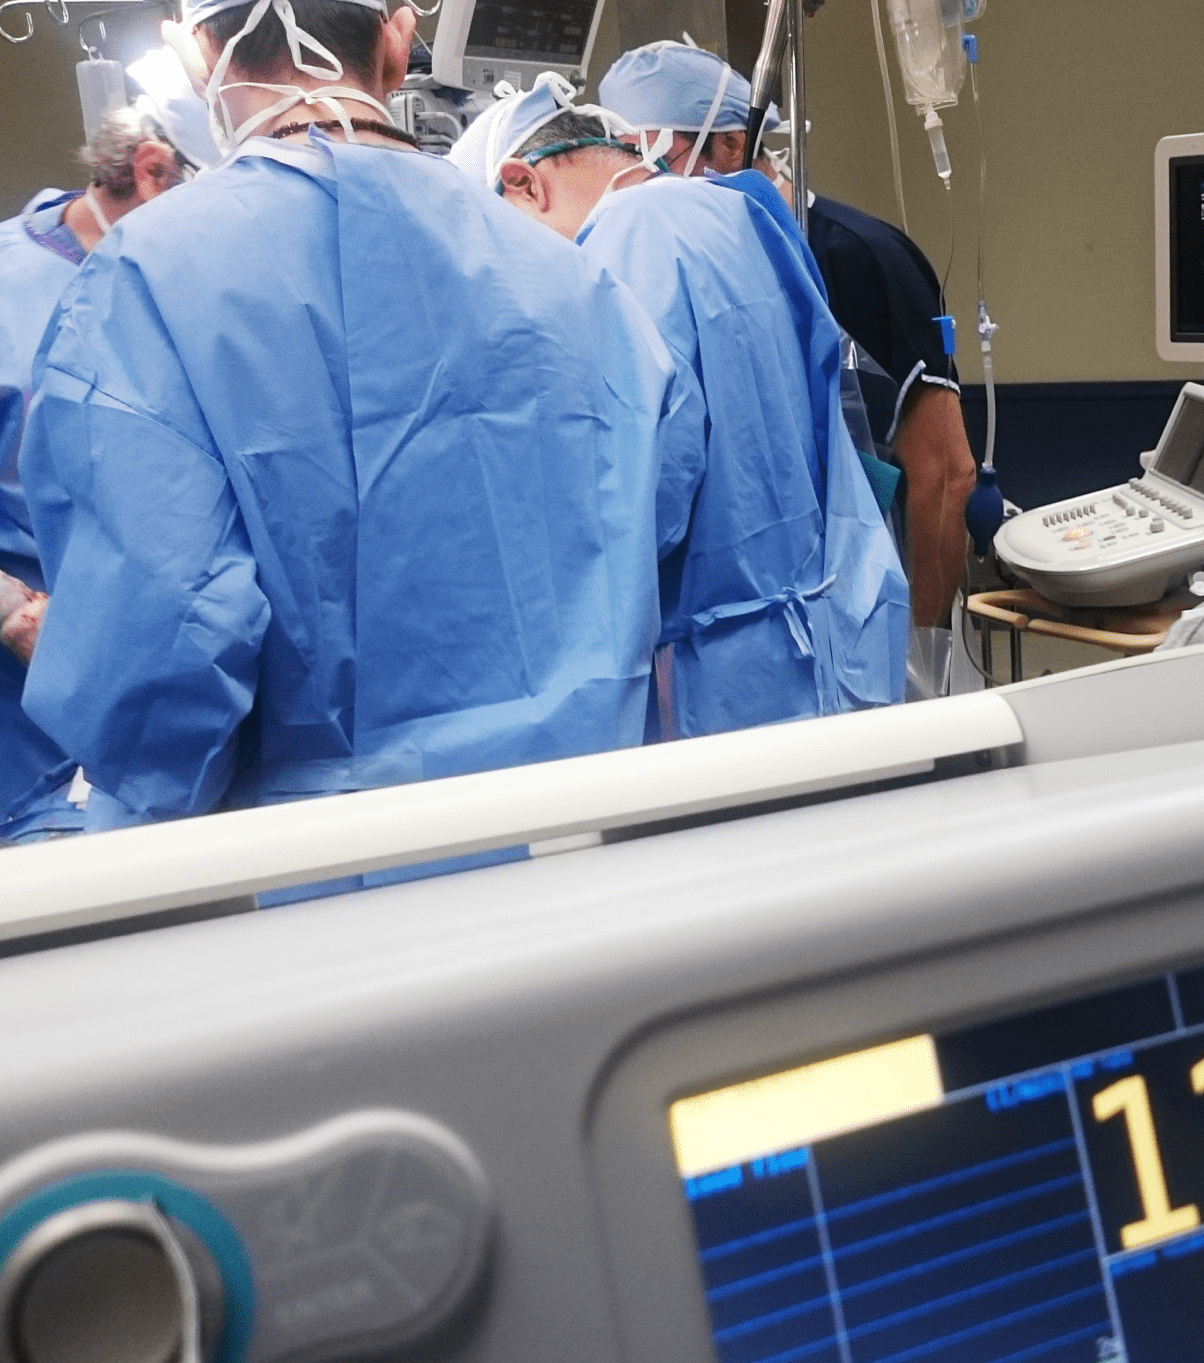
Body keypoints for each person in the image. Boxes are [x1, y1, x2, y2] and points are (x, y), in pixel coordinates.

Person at [20, 0, 700, 839]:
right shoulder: (569, 273)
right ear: (398, 37)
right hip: (575, 836)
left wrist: (148, 828)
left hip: (319, 872)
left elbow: (163, 641)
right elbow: (662, 527)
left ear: (199, 55)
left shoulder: (149, 276)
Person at [447, 80, 906, 740]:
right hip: (837, 625)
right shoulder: (731, 211)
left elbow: (644, 494)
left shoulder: (622, 249)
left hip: (734, 684)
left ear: (523, 184)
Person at [599, 41, 977, 633]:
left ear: (731, 142)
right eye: (617, 152)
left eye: (646, 151)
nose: (632, 174)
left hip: (878, 616)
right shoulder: (682, 263)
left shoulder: (857, 257)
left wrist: (920, 653)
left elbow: (947, 475)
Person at [0, 101, 191, 841]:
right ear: (152, 172)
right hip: (34, 731)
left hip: (181, 700)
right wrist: (14, 611)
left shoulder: (191, 287)